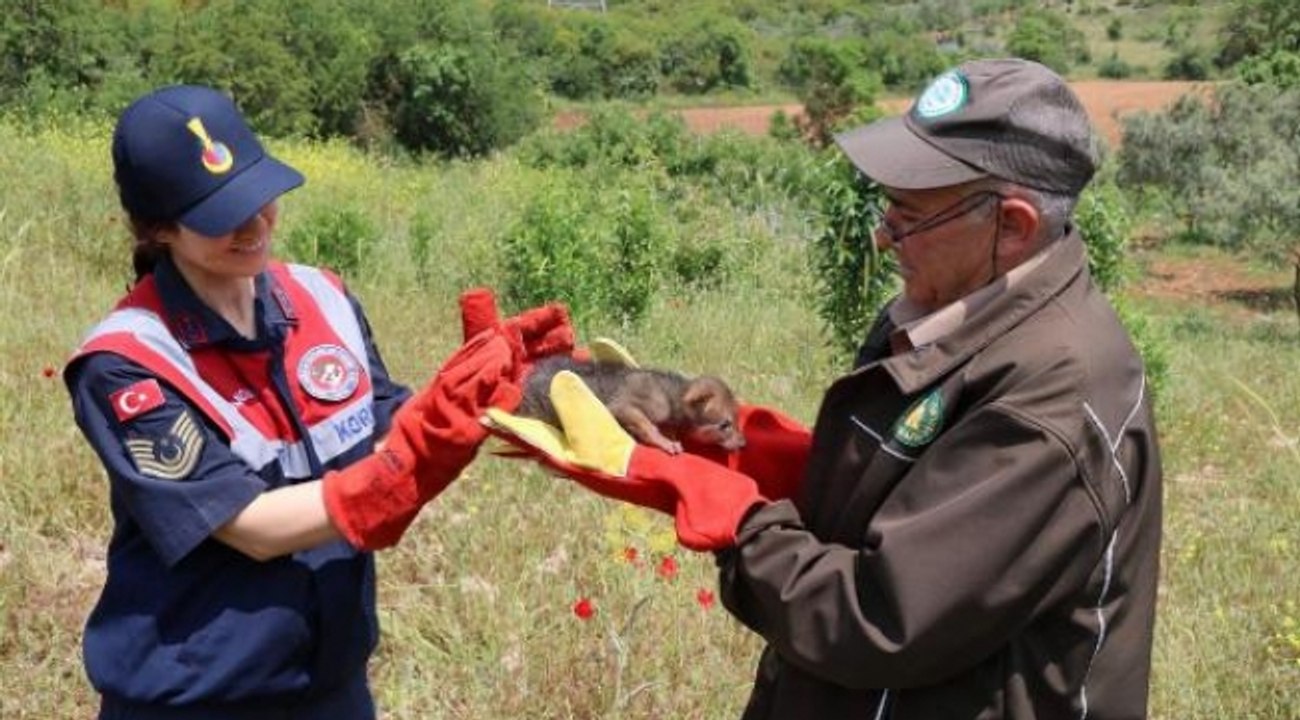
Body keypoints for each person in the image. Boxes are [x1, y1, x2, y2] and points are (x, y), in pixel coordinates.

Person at [487, 58, 1162, 719]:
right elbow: (917, 504)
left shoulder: (1056, 401)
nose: (882, 234)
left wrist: (739, 520)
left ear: (1012, 226)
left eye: (908, 216)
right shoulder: (943, 309)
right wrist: (768, 461)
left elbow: (879, 619)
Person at [64, 85, 572, 719]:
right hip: (200, 695)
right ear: (160, 229)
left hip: (329, 682)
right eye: (222, 215)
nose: (254, 226)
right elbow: (252, 529)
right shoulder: (129, 362)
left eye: (259, 197)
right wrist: (402, 475)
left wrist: (472, 401)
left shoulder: (320, 298)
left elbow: (384, 428)